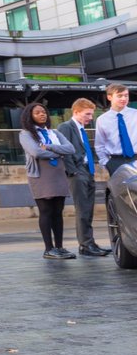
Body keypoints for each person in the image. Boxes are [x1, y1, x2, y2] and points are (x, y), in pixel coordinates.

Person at [19, 102, 76, 259]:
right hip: (40, 175)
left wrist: (50, 147)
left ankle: (59, 247)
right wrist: (59, 153)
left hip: (58, 174)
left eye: (43, 112)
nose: (42, 114)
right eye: (37, 112)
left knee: (58, 212)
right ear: (29, 116)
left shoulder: (54, 133)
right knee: (46, 211)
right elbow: (36, 152)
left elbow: (70, 149)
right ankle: (48, 249)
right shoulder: (25, 134)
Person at [57, 99, 111, 257]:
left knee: (88, 209)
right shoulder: (66, 127)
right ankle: (85, 245)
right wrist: (72, 172)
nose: (90, 118)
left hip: (87, 171)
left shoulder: (81, 129)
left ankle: (89, 243)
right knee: (82, 210)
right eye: (87, 114)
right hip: (78, 172)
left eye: (91, 115)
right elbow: (64, 150)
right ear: (76, 112)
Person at [94, 83, 137, 177]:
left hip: (135, 158)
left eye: (126, 95)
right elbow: (99, 145)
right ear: (109, 97)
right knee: (119, 187)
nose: (124, 99)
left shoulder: (135, 115)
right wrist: (106, 163)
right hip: (115, 162)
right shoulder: (102, 120)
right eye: (119, 96)